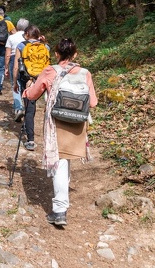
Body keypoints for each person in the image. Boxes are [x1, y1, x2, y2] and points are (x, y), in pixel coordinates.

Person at [22, 38, 98, 226]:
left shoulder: (50, 71)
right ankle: (61, 205)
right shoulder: (85, 73)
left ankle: (60, 210)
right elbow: (93, 102)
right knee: (65, 162)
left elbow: (32, 95)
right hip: (78, 123)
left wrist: (26, 91)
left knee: (59, 164)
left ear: (56, 54)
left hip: (56, 122)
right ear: (75, 54)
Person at [12, 25, 48, 151]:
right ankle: (28, 126)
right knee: (32, 106)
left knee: (29, 109)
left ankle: (31, 140)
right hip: (42, 80)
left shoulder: (21, 46)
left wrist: (15, 82)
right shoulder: (45, 47)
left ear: (27, 34)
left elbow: (16, 67)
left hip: (27, 80)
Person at [5, 18, 29, 121]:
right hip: (27, 62)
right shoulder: (29, 37)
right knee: (26, 84)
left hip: (14, 61)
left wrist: (6, 67)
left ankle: (18, 108)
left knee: (15, 84)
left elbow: (7, 54)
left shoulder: (11, 37)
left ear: (17, 26)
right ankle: (27, 108)